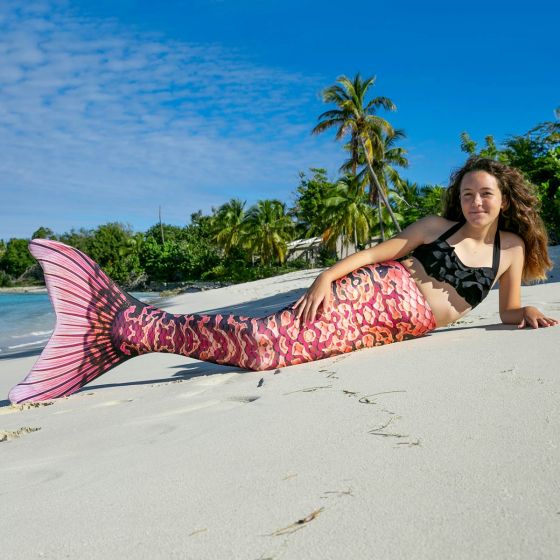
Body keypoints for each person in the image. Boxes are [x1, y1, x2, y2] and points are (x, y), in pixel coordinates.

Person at [8, 157, 558, 404]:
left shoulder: (511, 250)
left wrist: (525, 314)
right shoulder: (434, 226)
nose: (475, 201)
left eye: (485, 193)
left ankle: (125, 326)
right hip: (370, 295)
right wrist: (324, 277)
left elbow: (509, 310)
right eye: (467, 192)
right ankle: (128, 325)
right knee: (269, 344)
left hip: (397, 328)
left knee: (274, 346)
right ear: (457, 197)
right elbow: (373, 253)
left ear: (504, 198)